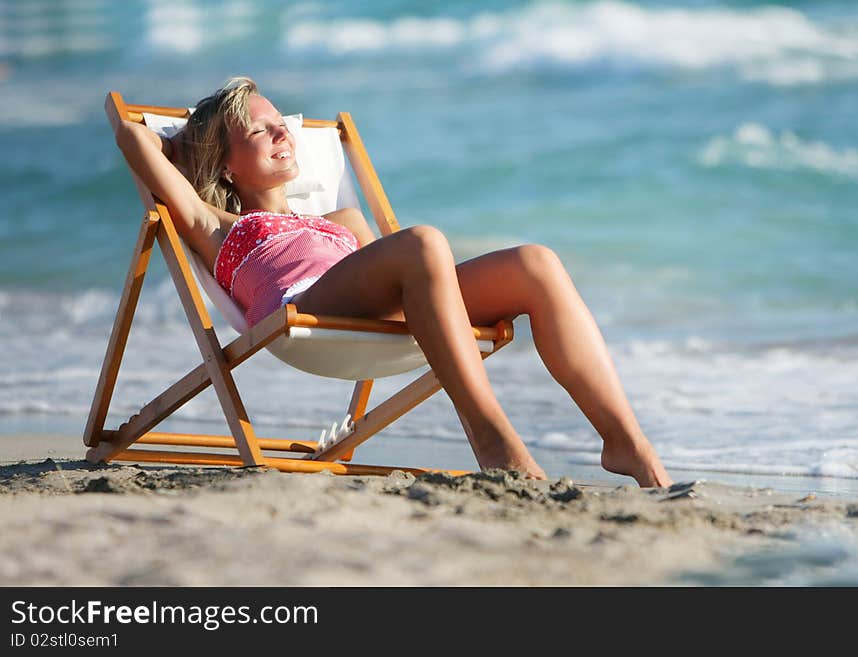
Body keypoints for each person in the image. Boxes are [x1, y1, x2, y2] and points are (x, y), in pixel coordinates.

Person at [114, 76, 673, 488]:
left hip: (385, 312)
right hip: (304, 308)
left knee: (535, 263)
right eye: (259, 130)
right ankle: (490, 436)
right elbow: (134, 140)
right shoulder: (218, 226)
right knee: (422, 241)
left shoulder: (342, 221)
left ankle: (626, 444)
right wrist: (190, 140)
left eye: (282, 124)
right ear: (226, 161)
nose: (281, 134)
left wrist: (245, 130)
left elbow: (399, 274)